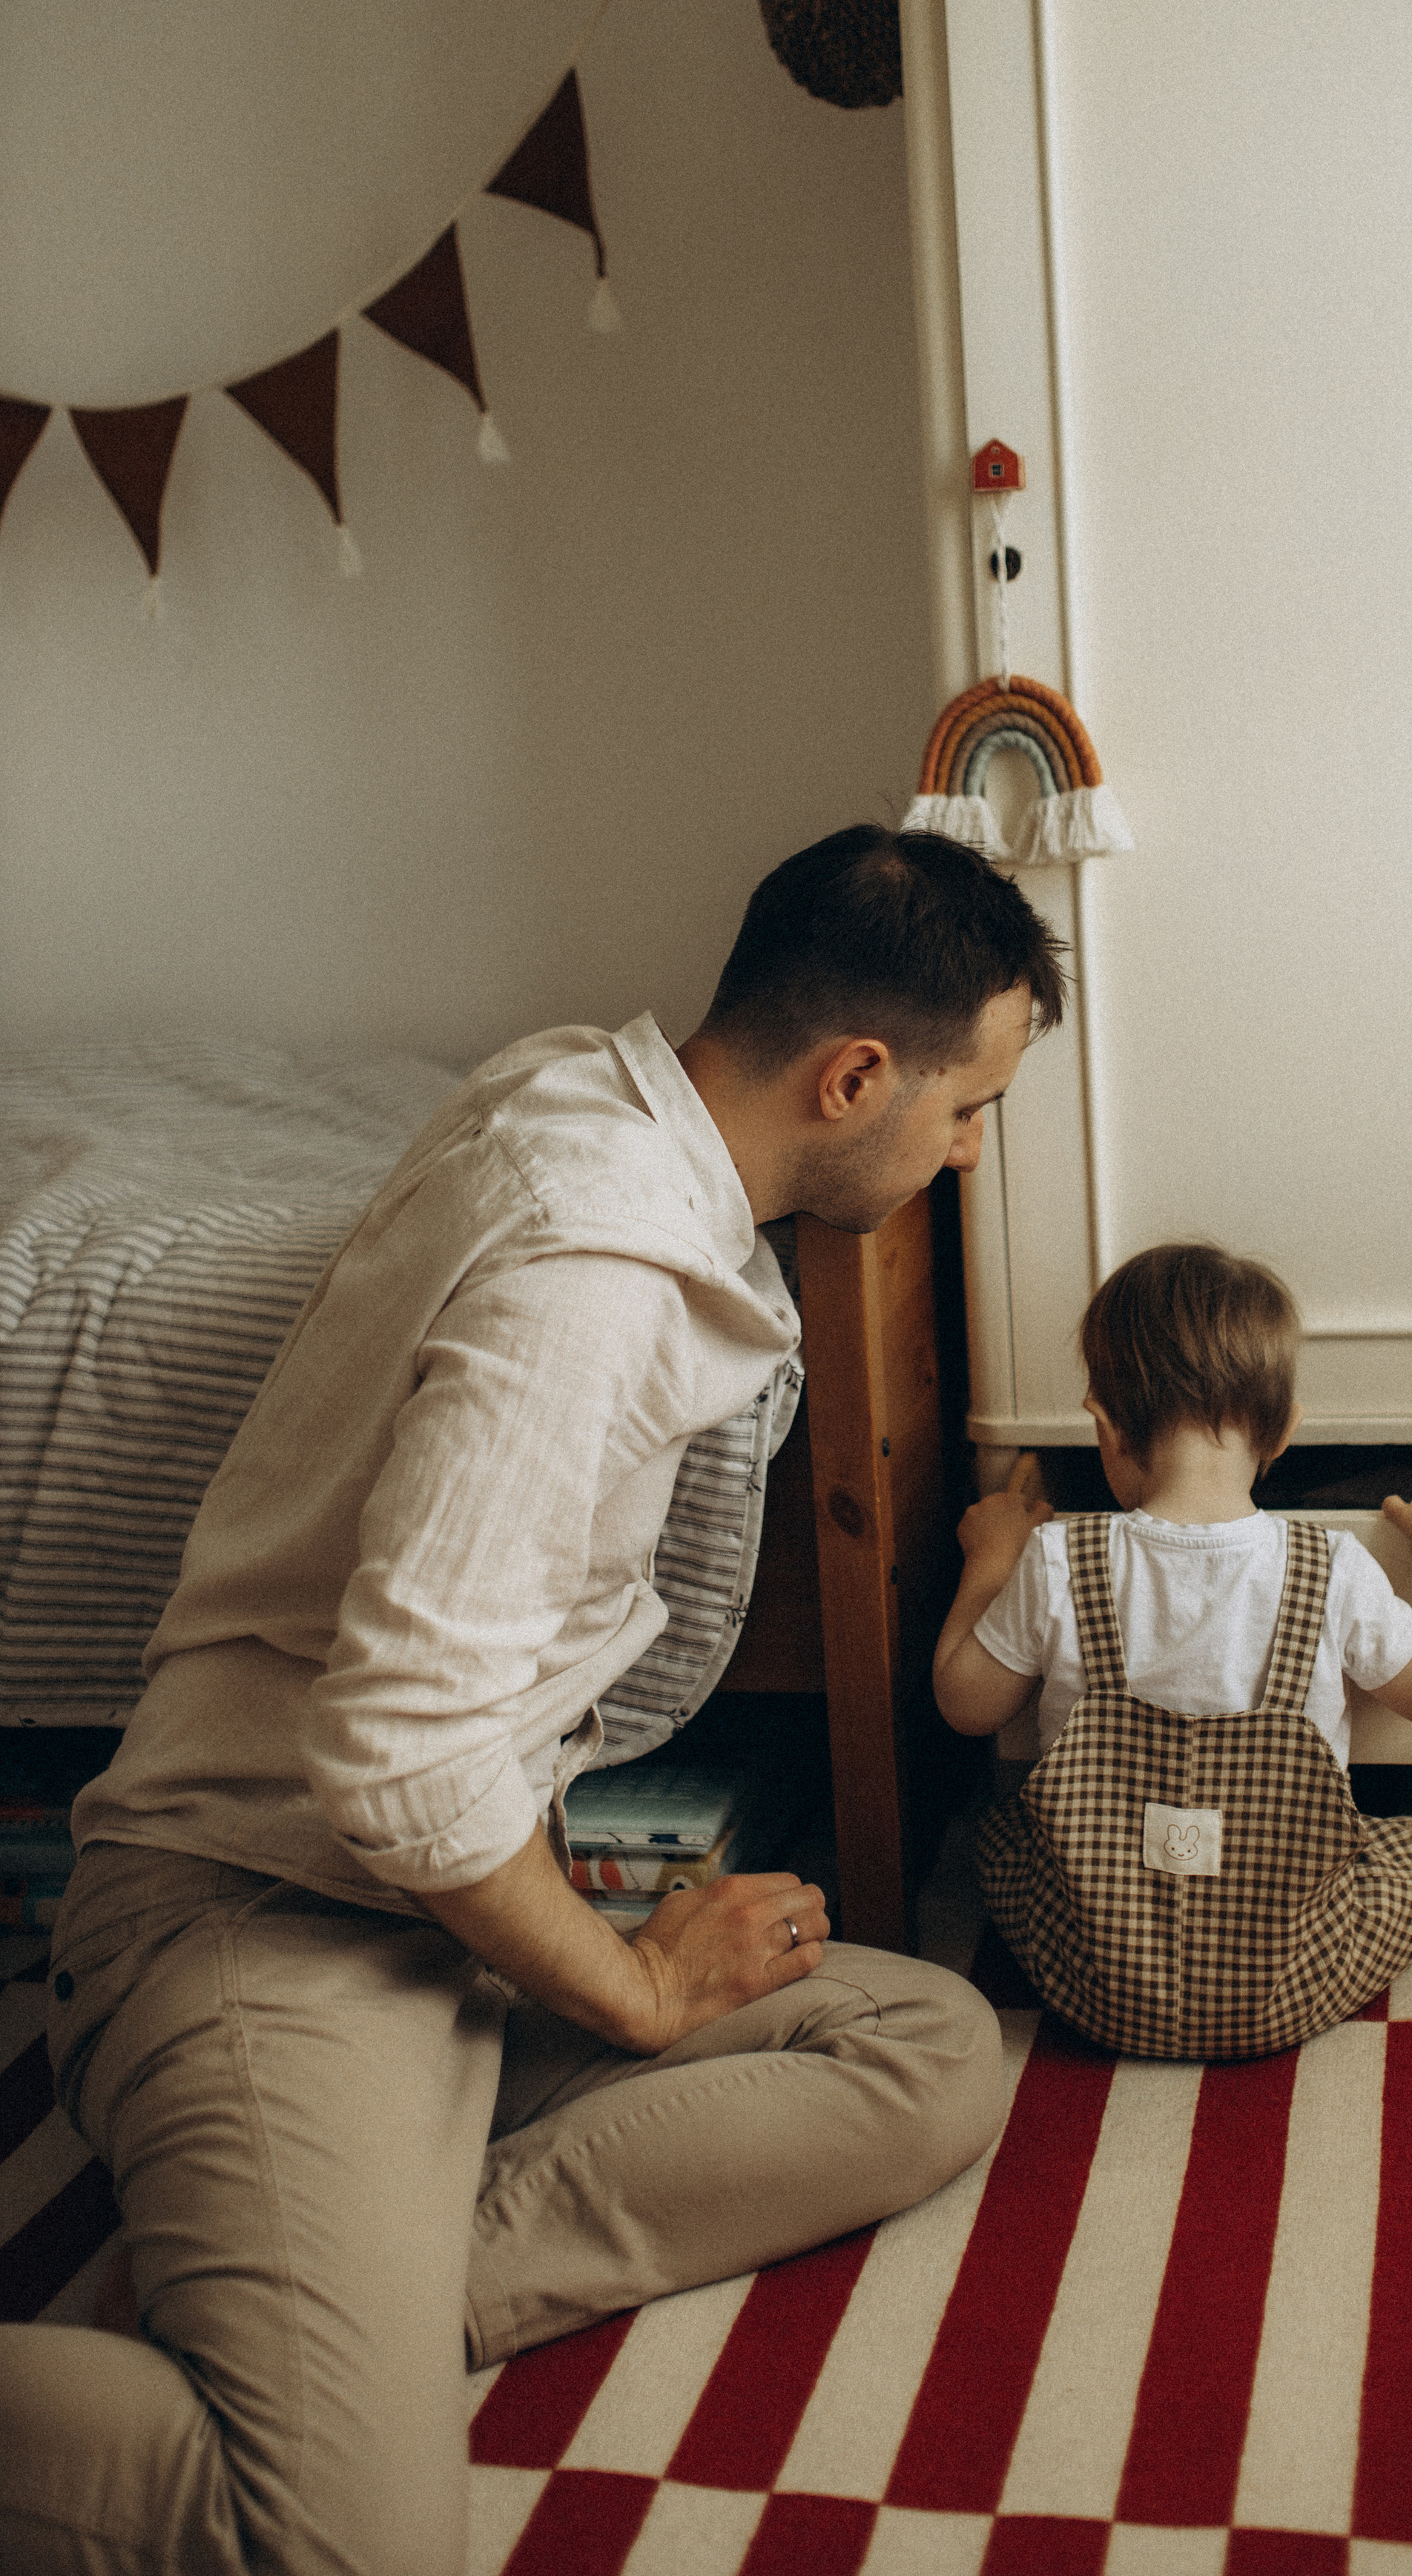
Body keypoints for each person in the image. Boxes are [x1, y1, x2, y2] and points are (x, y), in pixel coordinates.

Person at [0, 824, 1066, 2576]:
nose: (962, 1153)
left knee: (927, 2045)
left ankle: (350, 2306)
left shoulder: (585, 1080)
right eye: (966, 1110)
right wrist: (640, 1986)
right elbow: (399, 1762)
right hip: (259, 1917)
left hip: (448, 1933)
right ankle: (306, 2368)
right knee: (337, 2542)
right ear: (850, 1073)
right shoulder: (589, 1281)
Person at [934, 1241, 1412, 2059]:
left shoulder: (1060, 1561)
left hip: (1096, 1981)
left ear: (1105, 1426)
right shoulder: (1326, 1567)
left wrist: (990, 1557)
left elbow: (964, 1703)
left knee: (1000, 1838)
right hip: (1284, 1986)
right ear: (1284, 1433)